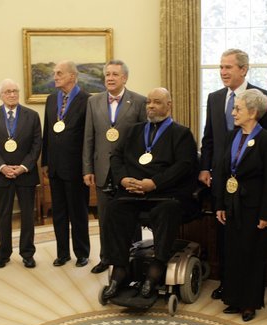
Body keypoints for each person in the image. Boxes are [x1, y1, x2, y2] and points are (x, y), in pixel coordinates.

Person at [101, 87, 198, 300]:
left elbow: (184, 165)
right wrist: (123, 179)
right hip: (132, 192)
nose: (151, 106)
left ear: (169, 105)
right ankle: (119, 266)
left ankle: (157, 265)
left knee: (168, 210)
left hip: (165, 194)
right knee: (114, 208)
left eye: (156, 102)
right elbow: (116, 157)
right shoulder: (134, 130)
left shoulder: (181, 134)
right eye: (148, 102)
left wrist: (153, 183)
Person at [199, 48, 267, 300]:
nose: (223, 72)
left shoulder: (264, 98)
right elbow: (209, 138)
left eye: (228, 67)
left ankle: (248, 293)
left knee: (249, 243)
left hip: (250, 185)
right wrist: (204, 166)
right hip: (221, 180)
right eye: (220, 67)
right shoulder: (214, 98)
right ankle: (227, 284)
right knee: (225, 237)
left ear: (243, 69)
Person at [215, 89, 267, 322]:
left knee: (252, 254)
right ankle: (234, 298)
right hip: (232, 204)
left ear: (252, 112)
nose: (233, 112)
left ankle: (250, 303)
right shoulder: (233, 136)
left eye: (238, 108)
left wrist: (266, 214)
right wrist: (220, 204)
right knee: (233, 252)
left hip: (254, 207)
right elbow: (223, 171)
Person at [83, 59, 147, 274]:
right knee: (105, 218)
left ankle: (134, 255)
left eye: (114, 74)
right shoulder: (94, 102)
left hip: (128, 172)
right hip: (102, 170)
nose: (109, 78)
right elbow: (88, 138)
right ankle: (106, 257)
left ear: (124, 78)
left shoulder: (139, 102)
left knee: (131, 217)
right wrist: (87, 169)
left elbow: (144, 139)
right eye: (107, 74)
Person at [0, 79, 42, 268]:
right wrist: (2, 167)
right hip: (1, 174)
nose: (12, 94)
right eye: (8, 91)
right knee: (4, 215)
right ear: (0, 95)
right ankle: (3, 253)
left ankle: (27, 253)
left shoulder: (32, 116)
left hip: (25, 174)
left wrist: (23, 167)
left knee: (27, 215)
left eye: (15, 91)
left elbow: (36, 145)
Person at [41, 61, 91, 267]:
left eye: (59, 73)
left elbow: (89, 137)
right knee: (59, 212)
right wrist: (45, 162)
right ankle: (63, 253)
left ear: (72, 76)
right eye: (54, 73)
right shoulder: (52, 99)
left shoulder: (87, 100)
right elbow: (47, 133)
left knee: (78, 212)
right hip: (54, 167)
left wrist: (87, 168)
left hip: (76, 168)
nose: (55, 77)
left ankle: (82, 253)